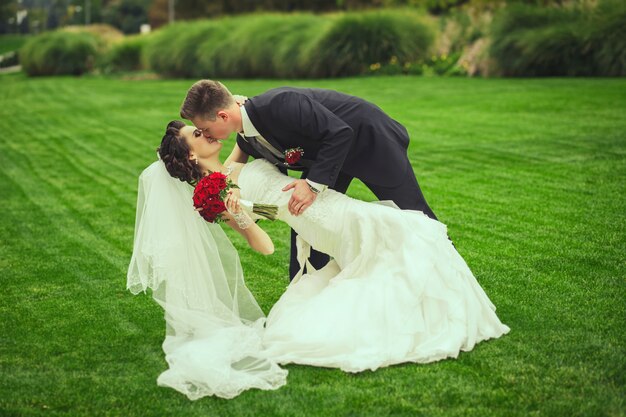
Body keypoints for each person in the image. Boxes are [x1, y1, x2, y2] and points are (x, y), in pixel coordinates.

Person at [126, 120, 510, 400]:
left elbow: (244, 136)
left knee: (403, 233)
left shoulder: (228, 165)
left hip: (324, 204)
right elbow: (265, 244)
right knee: (407, 234)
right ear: (191, 153)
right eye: (196, 134)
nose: (204, 130)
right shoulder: (214, 194)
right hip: (316, 218)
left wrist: (243, 117)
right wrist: (241, 216)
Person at [179, 80, 438, 279]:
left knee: (413, 211)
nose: (206, 134)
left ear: (223, 116)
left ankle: (444, 265)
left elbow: (339, 133)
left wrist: (312, 184)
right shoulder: (247, 136)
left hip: (370, 143)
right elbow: (231, 169)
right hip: (330, 160)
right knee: (308, 218)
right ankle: (303, 287)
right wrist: (215, 193)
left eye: (205, 129)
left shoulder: (280, 103)